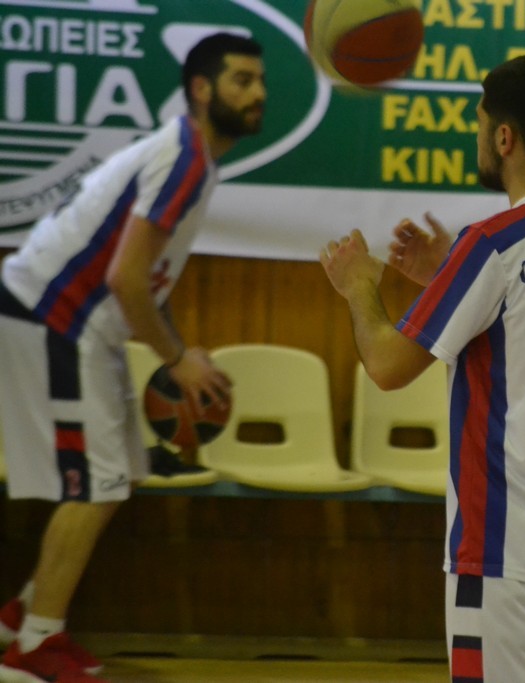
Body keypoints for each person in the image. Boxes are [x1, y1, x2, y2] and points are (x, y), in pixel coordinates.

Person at [320, 53, 525, 682]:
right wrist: (450, 277)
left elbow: (386, 366)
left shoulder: (494, 244)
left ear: (504, 138)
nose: (477, 135)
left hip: (506, 546)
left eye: (478, 122)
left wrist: (359, 287)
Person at [0, 32, 265, 682]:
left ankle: (24, 615)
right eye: (241, 80)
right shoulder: (183, 159)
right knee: (95, 482)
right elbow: (125, 278)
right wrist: (176, 359)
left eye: (260, 80)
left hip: (85, 322)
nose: (257, 92)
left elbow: (139, 277)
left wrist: (180, 349)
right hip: (54, 313)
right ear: (201, 89)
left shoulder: (192, 157)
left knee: (121, 473)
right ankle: (32, 648)